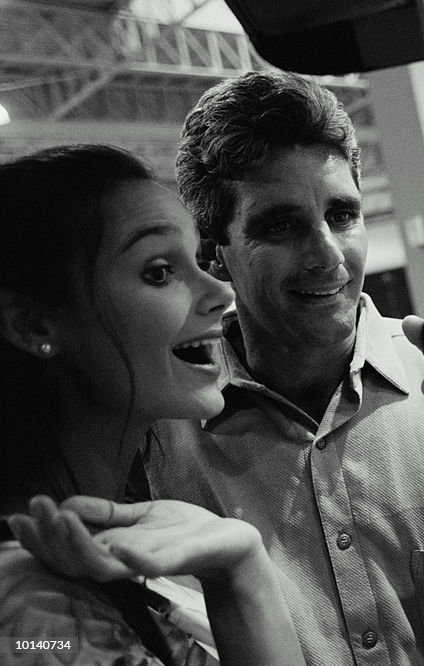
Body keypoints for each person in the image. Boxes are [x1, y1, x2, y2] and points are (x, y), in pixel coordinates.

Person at [135, 70, 424, 664]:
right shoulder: (164, 438)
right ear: (213, 253)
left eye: (342, 215)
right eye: (280, 226)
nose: (328, 254)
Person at [0, 144, 304, 665]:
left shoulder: (118, 543)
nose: (219, 292)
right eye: (160, 271)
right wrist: (244, 577)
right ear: (34, 325)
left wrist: (241, 562)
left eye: (200, 260)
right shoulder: (33, 613)